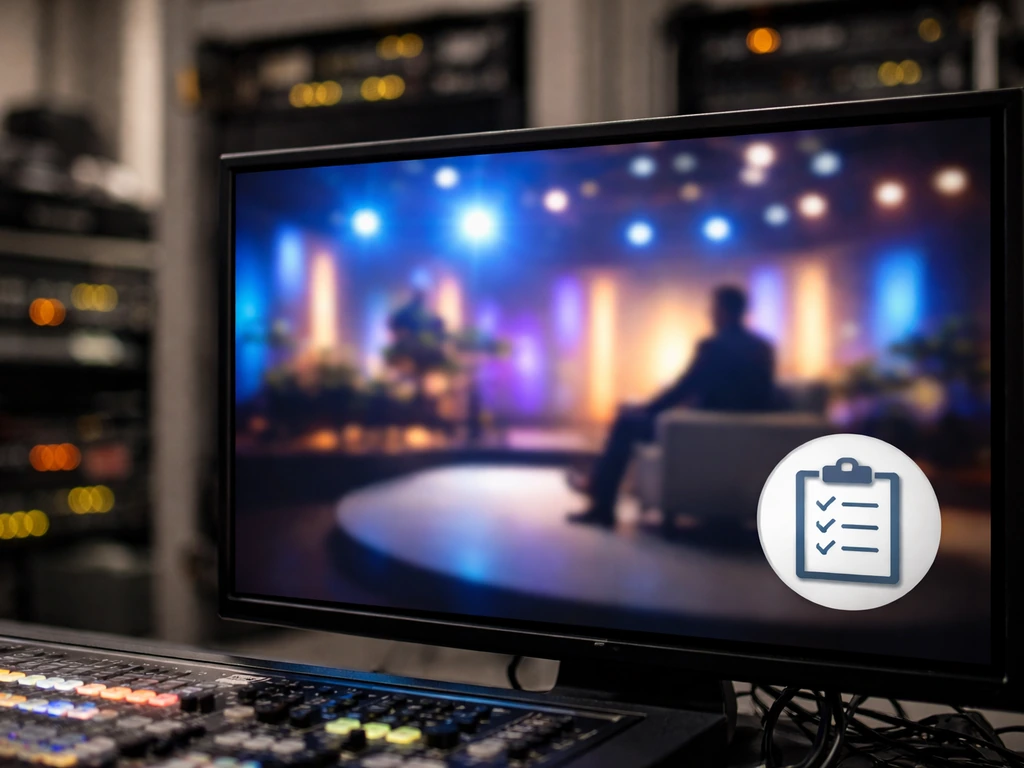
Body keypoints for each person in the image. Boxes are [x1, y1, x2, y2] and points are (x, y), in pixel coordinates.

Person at [568, 285, 776, 527]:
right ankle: (596, 483)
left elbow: (684, 387)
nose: (710, 314)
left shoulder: (714, 346)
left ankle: (601, 504)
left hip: (700, 432)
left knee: (626, 422)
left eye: (713, 309)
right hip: (744, 433)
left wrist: (647, 409)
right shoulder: (763, 348)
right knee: (635, 418)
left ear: (723, 311)